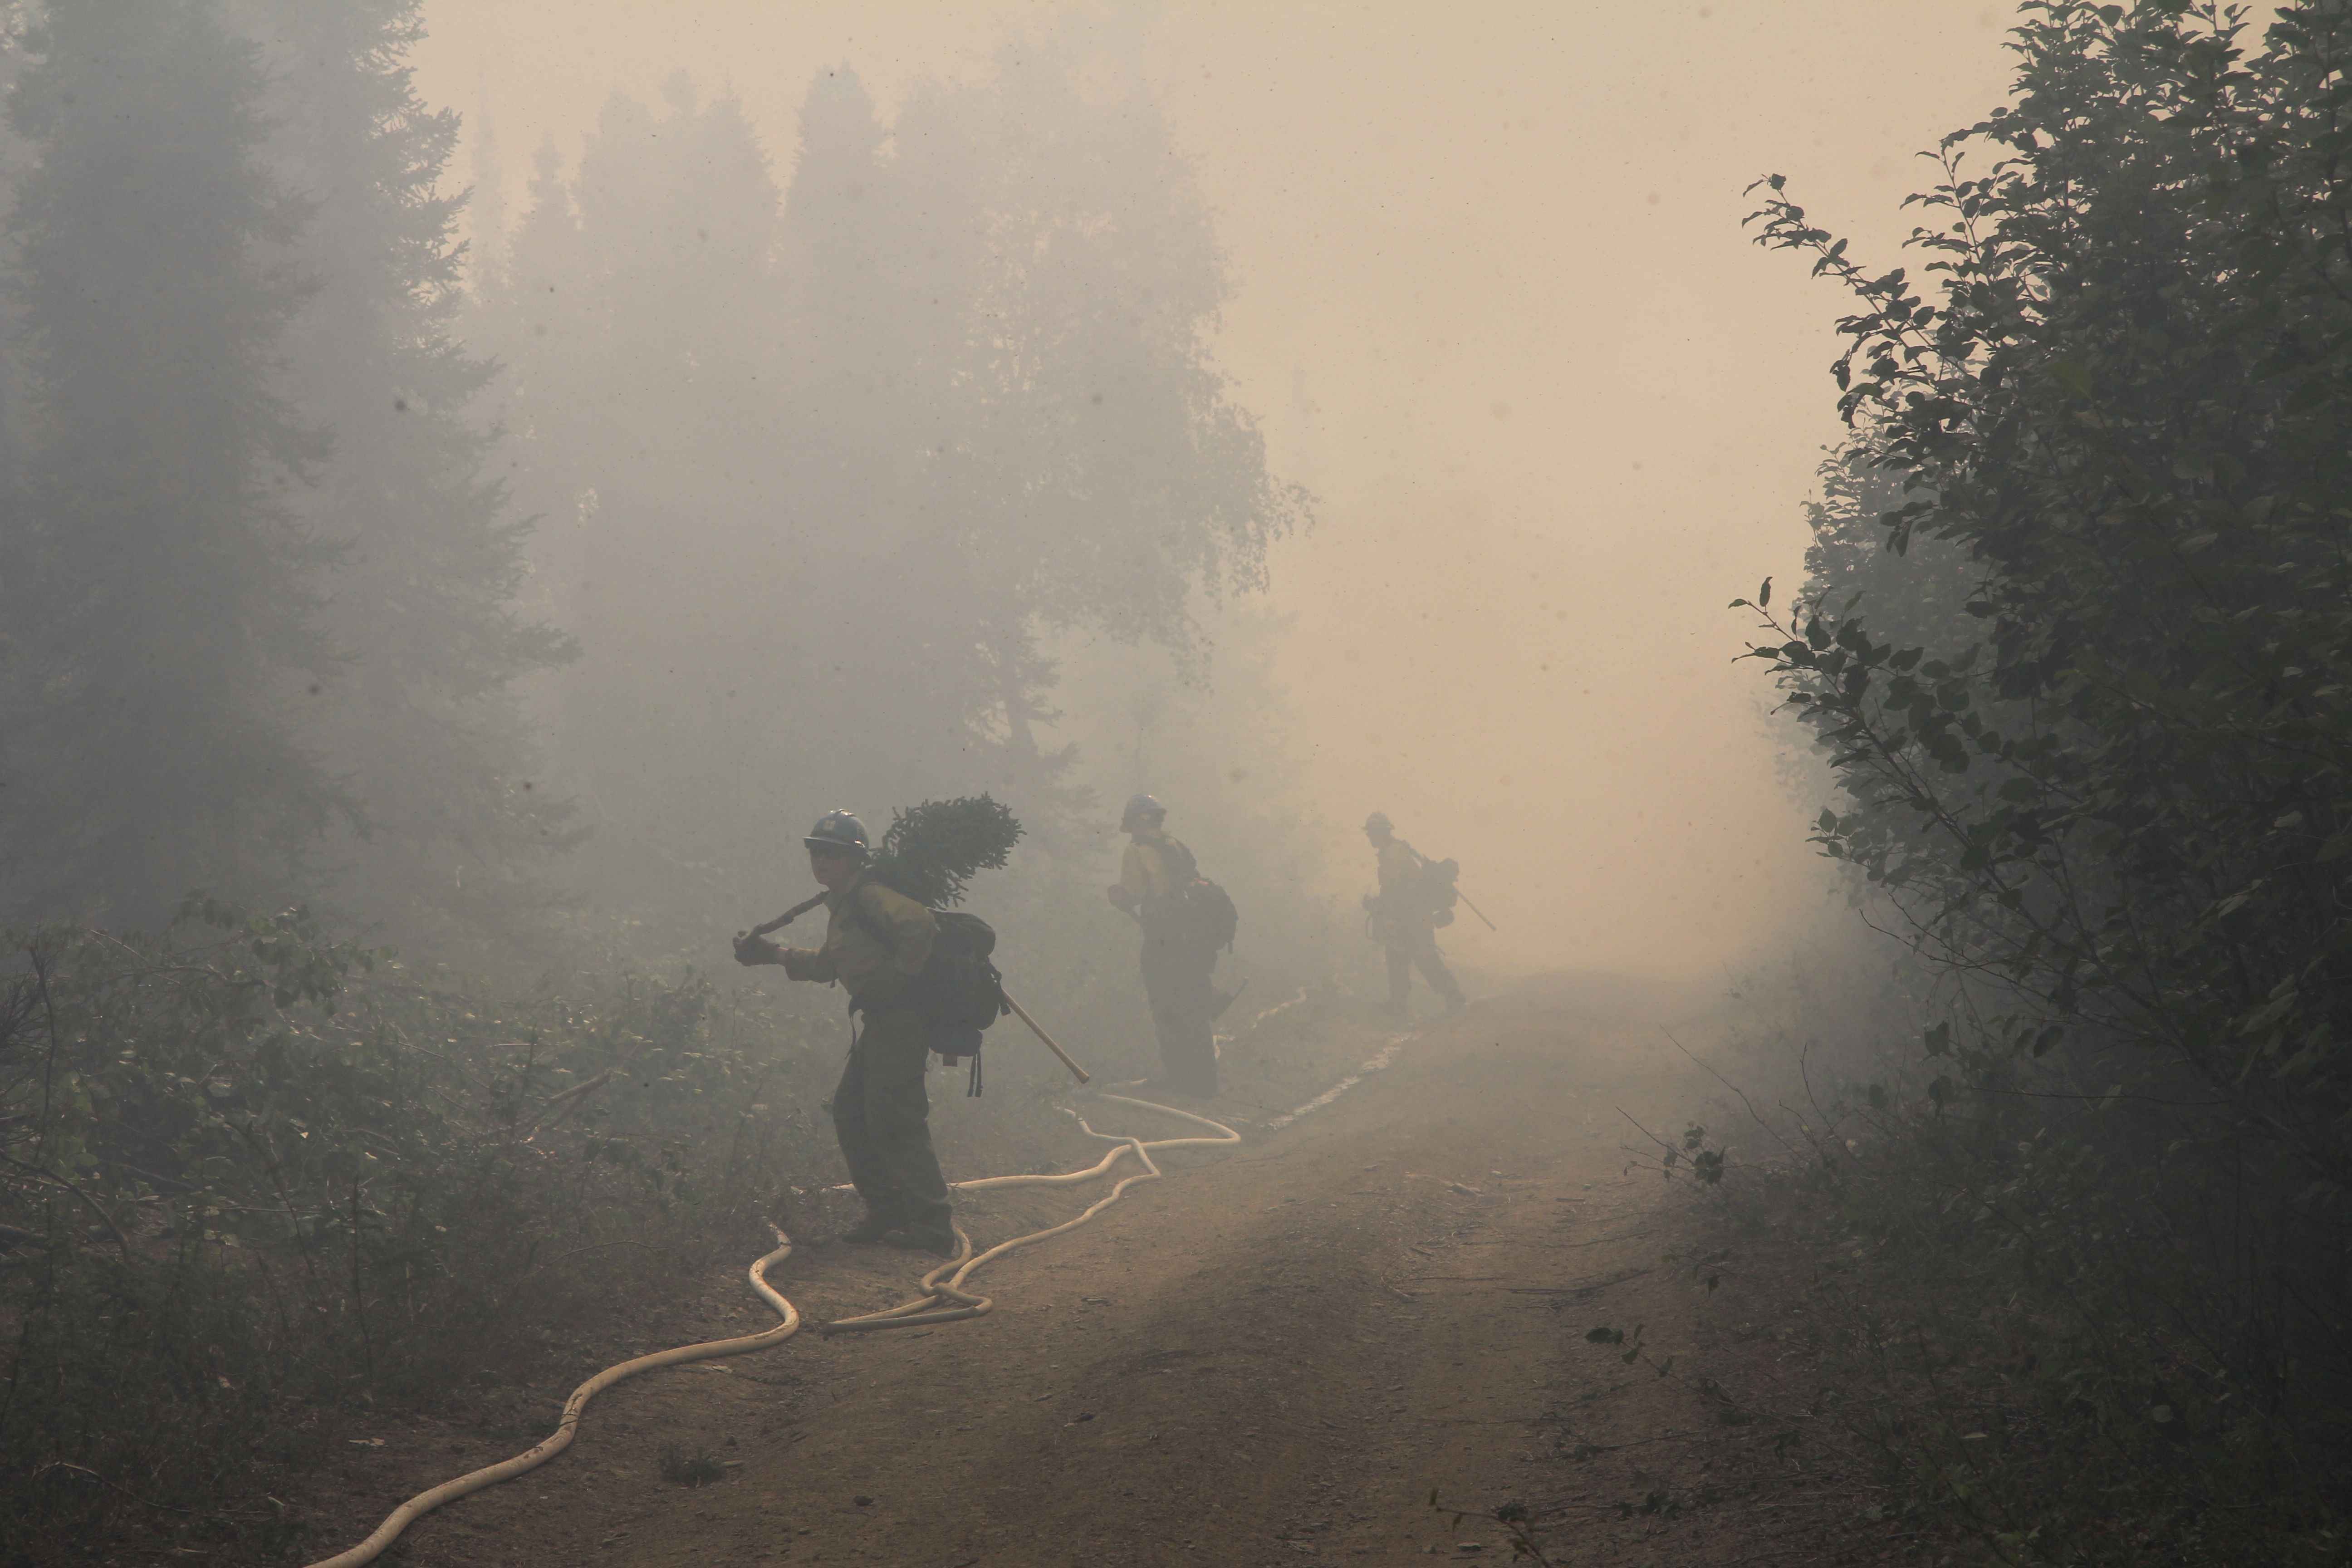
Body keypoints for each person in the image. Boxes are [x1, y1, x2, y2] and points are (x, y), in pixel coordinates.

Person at [735, 810, 956, 1255]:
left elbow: (920, 926)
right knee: (851, 1113)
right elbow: (829, 964)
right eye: (817, 851)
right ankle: (887, 1210)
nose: (823, 860)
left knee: (897, 1121)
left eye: (835, 853)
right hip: (880, 1026)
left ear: (856, 858)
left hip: (902, 1023)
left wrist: (898, 976)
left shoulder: (870, 895)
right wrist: (772, 954)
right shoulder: (843, 905)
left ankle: (933, 1226)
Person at [1105, 793, 1220, 1096]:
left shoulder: (1137, 850)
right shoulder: (1175, 846)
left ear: (1134, 823)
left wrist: (1119, 898)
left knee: (1166, 1007)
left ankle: (1179, 1079)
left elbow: (1135, 894)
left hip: (1162, 939)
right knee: (1192, 1007)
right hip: (1191, 936)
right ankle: (1204, 1081)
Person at [1362, 811, 1465, 1016]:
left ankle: (1455, 998)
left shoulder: (1393, 854)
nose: (1369, 837)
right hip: (1409, 915)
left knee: (1425, 959)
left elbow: (1393, 889)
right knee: (1397, 960)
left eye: (1371, 833)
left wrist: (1385, 913)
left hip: (1412, 917)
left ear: (1380, 832)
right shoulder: (1396, 850)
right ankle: (1397, 1005)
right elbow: (1398, 888)